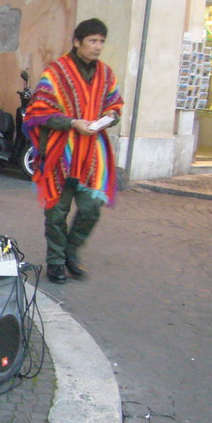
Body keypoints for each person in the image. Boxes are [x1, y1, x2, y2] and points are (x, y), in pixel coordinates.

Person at [23, 18, 124, 284]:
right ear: (77, 42)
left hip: (93, 154)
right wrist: (72, 122)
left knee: (92, 207)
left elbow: (115, 105)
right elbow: (38, 110)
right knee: (56, 212)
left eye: (101, 41)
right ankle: (55, 262)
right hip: (60, 154)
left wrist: (110, 117)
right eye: (92, 40)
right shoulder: (55, 73)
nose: (98, 46)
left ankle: (71, 252)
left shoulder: (106, 74)